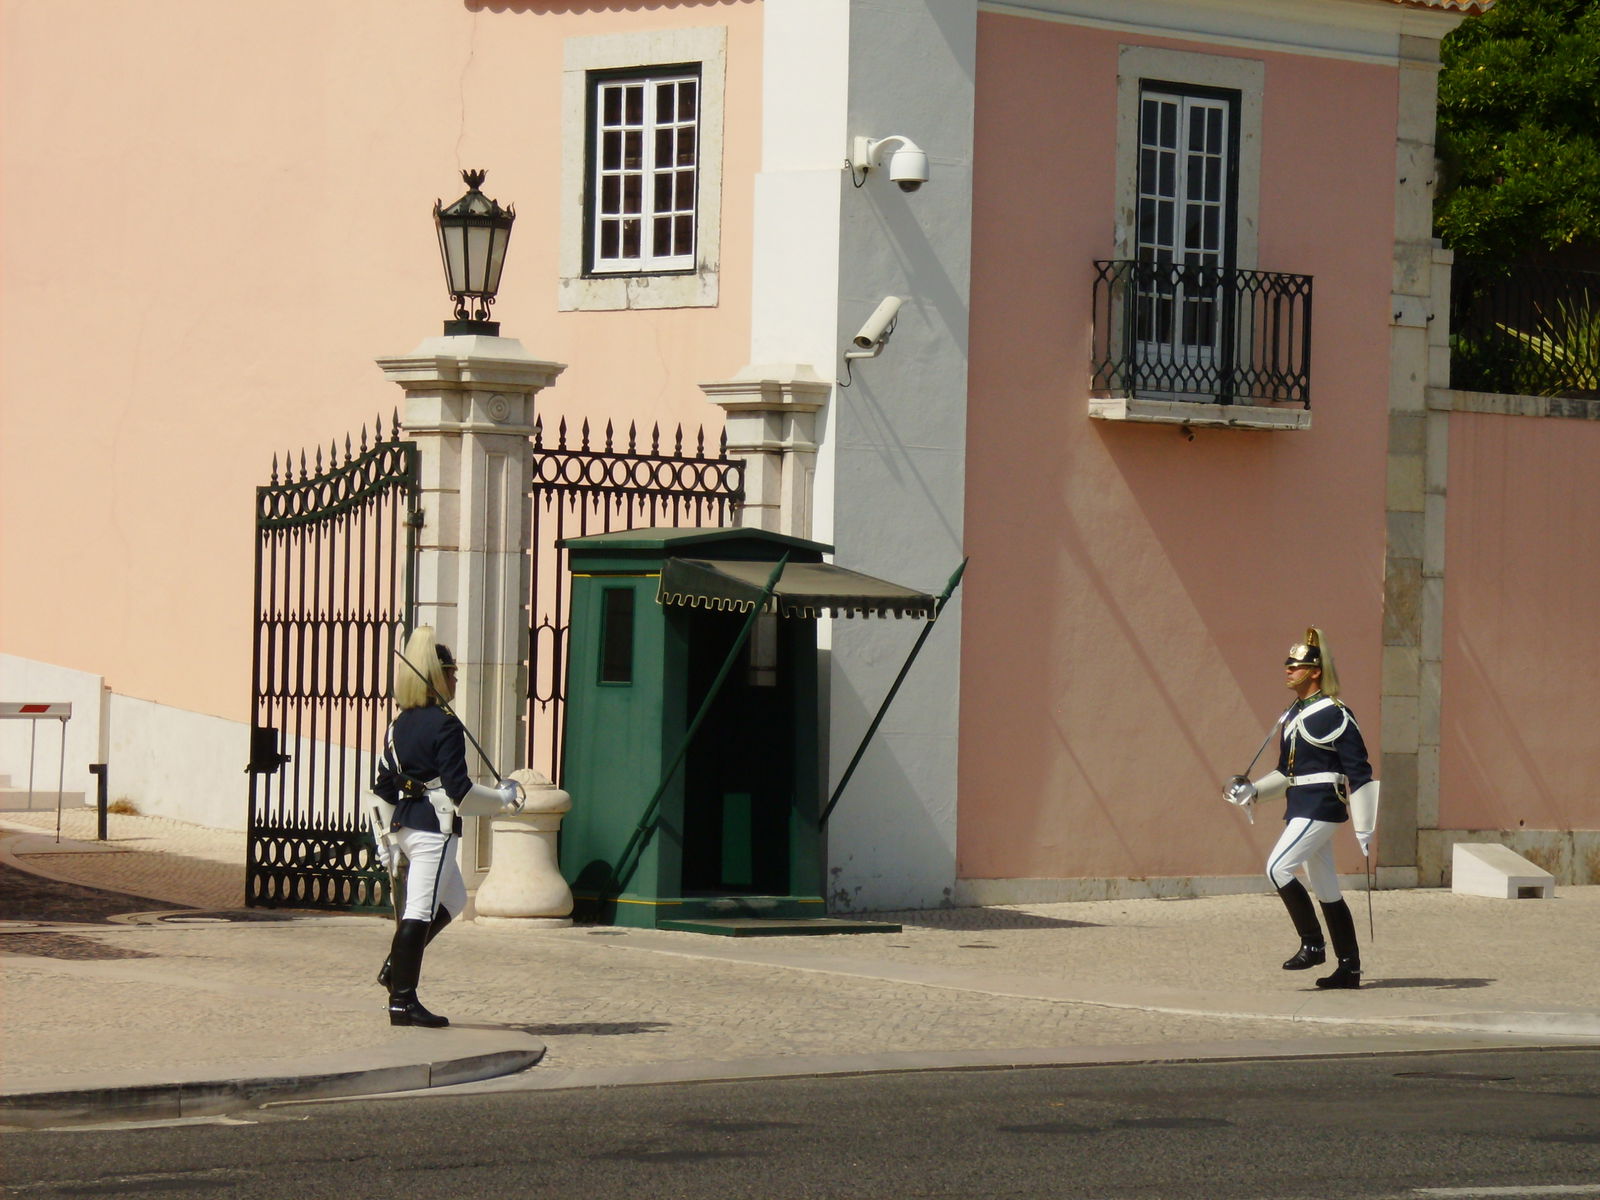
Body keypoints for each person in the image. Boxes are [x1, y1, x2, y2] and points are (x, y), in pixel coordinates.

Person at [370, 627, 518, 1027]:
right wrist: (502, 800)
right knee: (419, 911)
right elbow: (460, 792)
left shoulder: (398, 725)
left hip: (405, 824)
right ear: (439, 676)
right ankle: (402, 1000)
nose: (455, 681)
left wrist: (386, 839)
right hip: (434, 828)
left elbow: (382, 788)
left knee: (452, 901)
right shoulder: (446, 724)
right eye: (452, 673)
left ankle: (395, 967)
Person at [1227, 628, 1377, 990]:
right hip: (1301, 804)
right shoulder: (1294, 714)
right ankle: (1350, 967)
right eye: (1288, 665)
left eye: (1296, 666)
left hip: (1322, 805)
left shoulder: (1334, 712)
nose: (1288, 670)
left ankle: (1313, 943)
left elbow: (1359, 771)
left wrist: (1365, 827)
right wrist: (1254, 791)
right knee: (1326, 888)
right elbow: (1287, 773)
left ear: (1315, 671)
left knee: (1277, 867)